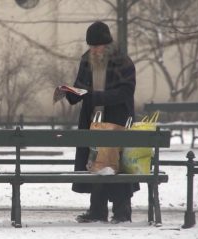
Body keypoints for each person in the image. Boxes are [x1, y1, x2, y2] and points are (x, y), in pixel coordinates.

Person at [65, 21, 139, 224]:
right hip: (92, 121)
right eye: (91, 46)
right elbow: (81, 86)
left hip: (116, 120)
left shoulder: (122, 62)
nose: (94, 50)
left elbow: (125, 92)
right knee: (94, 162)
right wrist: (71, 94)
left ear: (106, 45)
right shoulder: (86, 60)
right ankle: (97, 210)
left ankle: (122, 210)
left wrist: (98, 97)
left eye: (97, 46)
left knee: (115, 164)